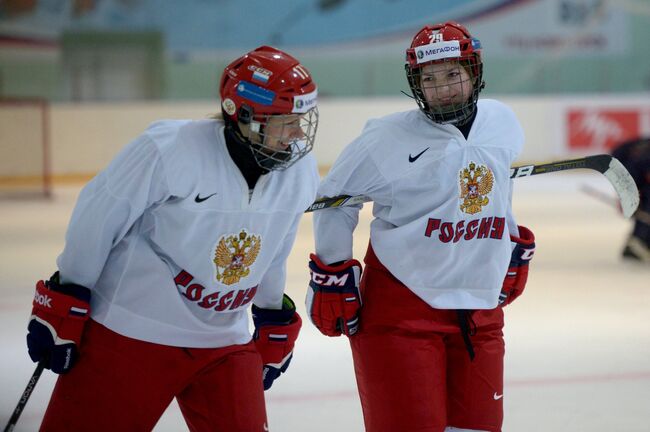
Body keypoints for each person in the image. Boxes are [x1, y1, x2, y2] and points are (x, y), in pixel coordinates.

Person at [26, 45, 319, 431]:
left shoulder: (297, 173)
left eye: (303, 119)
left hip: (224, 341)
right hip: (130, 331)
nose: (298, 134)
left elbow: (273, 248)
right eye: (286, 121)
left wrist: (271, 312)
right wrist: (68, 292)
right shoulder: (170, 148)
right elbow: (100, 212)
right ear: (242, 115)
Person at [306, 22, 535, 432]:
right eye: (429, 79)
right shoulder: (385, 138)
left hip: (479, 308)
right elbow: (335, 202)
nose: (442, 88)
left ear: (474, 71)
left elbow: (499, 189)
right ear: (416, 84)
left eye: (452, 74)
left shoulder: (502, 122)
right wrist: (334, 273)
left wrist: (510, 242)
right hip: (401, 311)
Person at [612, 136, 650, 261]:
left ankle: (638, 242)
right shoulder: (642, 157)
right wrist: (626, 198)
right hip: (637, 184)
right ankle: (638, 242)